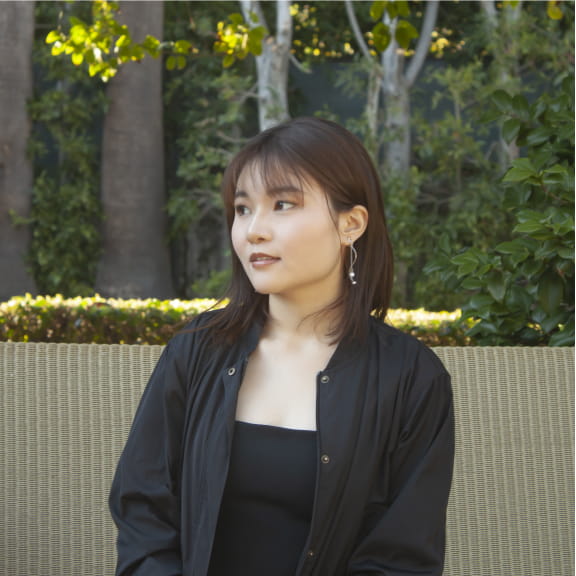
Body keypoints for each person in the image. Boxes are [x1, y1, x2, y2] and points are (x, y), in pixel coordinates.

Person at [109, 117, 455, 576]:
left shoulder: (410, 379)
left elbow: (401, 557)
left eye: (283, 204)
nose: (253, 230)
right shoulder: (196, 352)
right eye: (243, 208)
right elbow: (143, 511)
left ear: (351, 224)